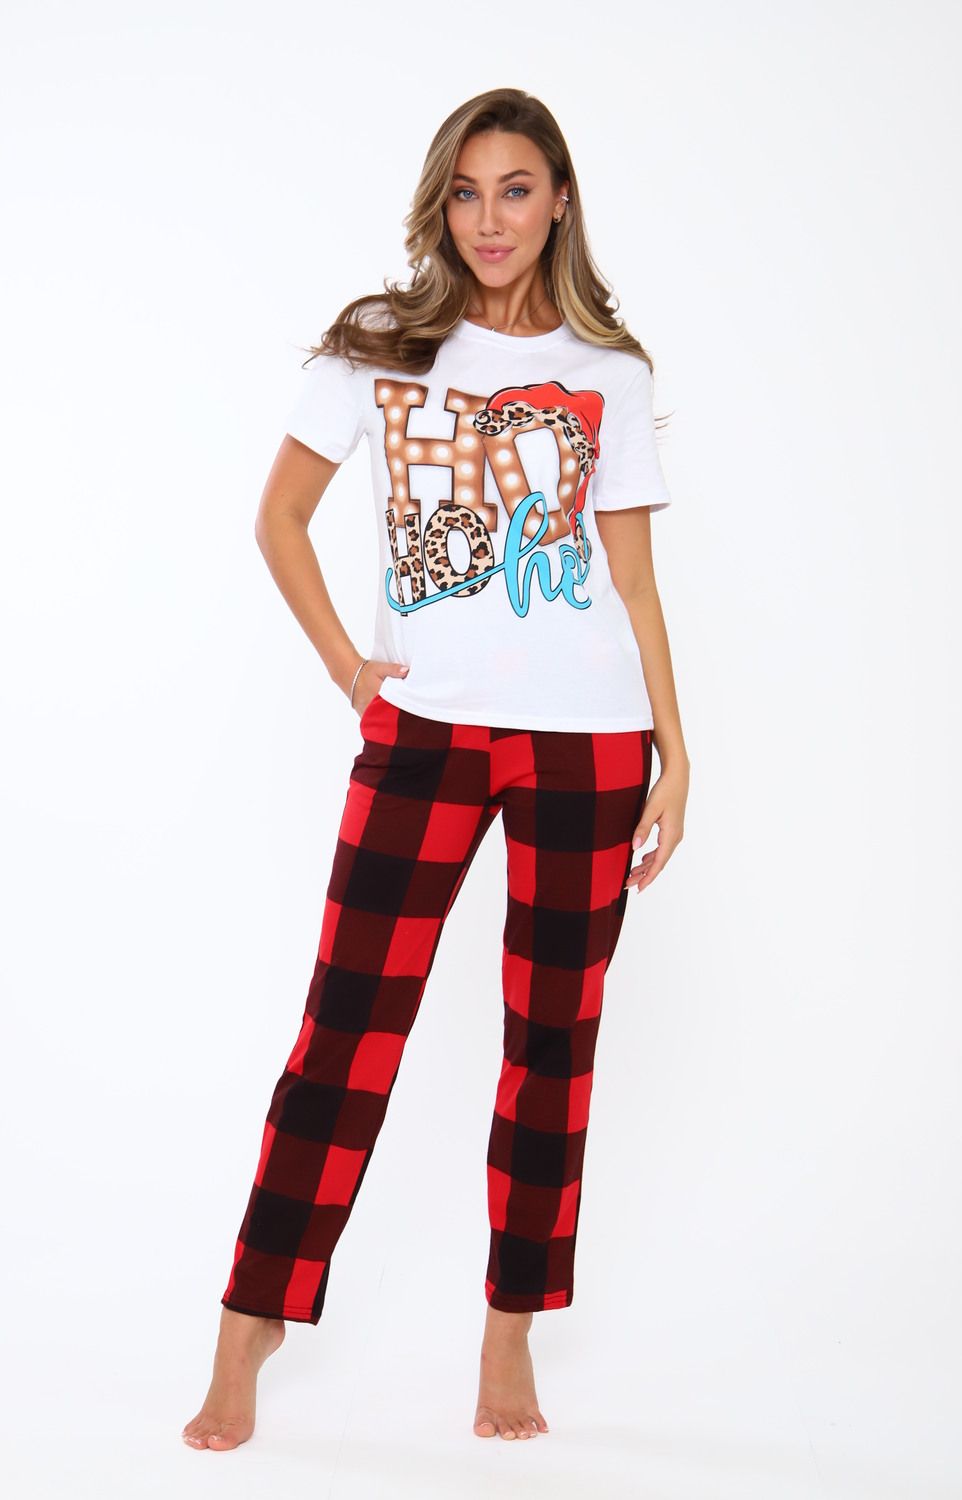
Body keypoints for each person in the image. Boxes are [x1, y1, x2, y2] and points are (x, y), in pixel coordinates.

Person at [182, 85, 690, 1452]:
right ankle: (249, 1325)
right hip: (424, 734)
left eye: (515, 189)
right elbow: (280, 518)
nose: (489, 218)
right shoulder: (378, 345)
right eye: (466, 192)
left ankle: (509, 1331)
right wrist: (352, 668)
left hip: (592, 738)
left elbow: (636, 583)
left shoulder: (611, 373)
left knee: (552, 1047)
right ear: (441, 206)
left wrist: (678, 748)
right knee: (346, 1029)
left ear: (560, 201)